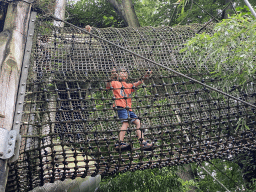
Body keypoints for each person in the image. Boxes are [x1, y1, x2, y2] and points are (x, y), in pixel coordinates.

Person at [106, 67, 153, 151]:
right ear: (118, 74)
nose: (125, 73)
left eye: (125, 72)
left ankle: (142, 142)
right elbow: (108, 85)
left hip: (128, 109)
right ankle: (120, 142)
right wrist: (112, 76)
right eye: (122, 72)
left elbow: (139, 82)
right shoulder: (115, 82)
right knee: (126, 122)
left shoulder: (128, 85)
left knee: (138, 121)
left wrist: (146, 75)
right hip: (120, 105)